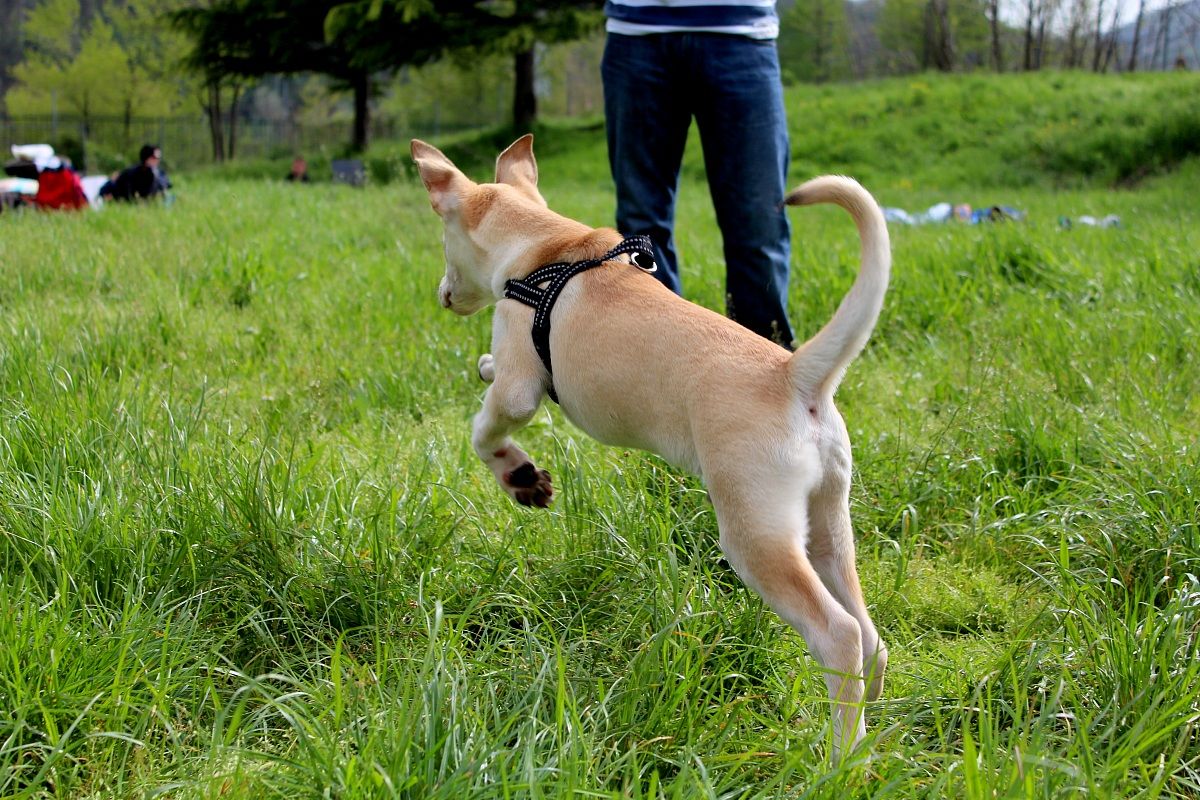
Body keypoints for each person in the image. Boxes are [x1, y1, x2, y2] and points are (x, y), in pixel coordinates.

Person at [601, 0, 796, 348]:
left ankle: (767, 370)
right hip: (637, 33)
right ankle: (657, 359)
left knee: (758, 221)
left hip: (742, 33)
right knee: (641, 220)